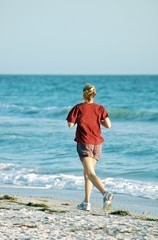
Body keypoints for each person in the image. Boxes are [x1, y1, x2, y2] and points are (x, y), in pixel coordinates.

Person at [66, 84, 114, 212]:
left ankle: (105, 193)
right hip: (97, 144)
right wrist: (99, 121)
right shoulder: (100, 108)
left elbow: (70, 125)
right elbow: (108, 125)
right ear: (94, 94)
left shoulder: (78, 108)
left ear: (83, 94)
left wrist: (78, 120)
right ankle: (86, 202)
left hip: (85, 142)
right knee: (87, 173)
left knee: (90, 173)